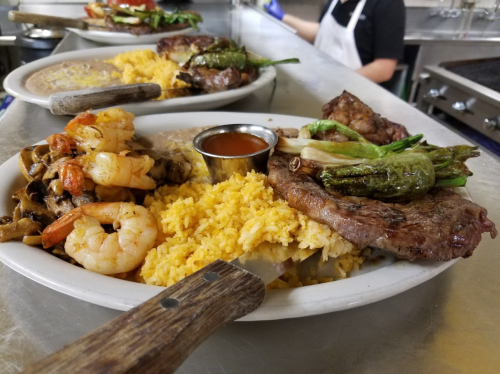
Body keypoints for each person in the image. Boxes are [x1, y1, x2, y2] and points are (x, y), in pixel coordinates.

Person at [264, 0, 406, 84]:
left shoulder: (389, 4)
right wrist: (283, 17)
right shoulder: (336, 1)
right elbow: (321, 32)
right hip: (323, 86)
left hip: (354, 98)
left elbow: (384, 68)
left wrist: (337, 85)